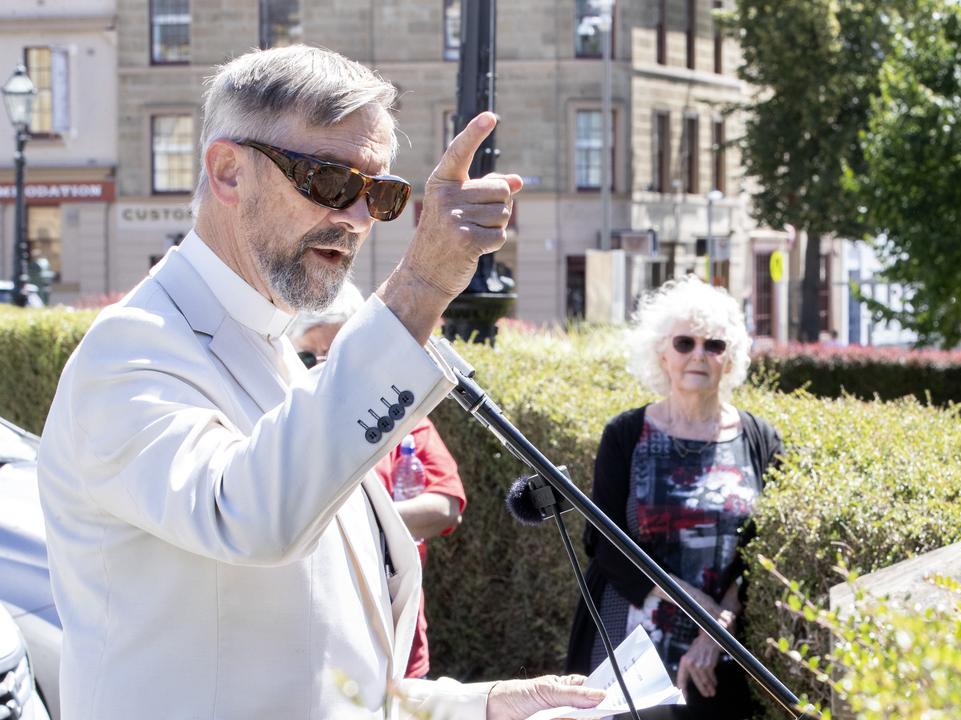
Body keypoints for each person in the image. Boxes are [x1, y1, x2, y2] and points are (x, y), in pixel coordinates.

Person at [37, 45, 601, 719]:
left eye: (382, 194)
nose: (359, 218)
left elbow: (322, 674)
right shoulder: (130, 353)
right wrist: (419, 287)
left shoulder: (271, 349)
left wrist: (487, 706)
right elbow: (246, 517)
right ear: (227, 172)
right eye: (331, 182)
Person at [565, 276, 784, 718]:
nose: (699, 355)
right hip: (632, 638)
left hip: (716, 649)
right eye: (685, 343)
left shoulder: (760, 438)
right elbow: (604, 542)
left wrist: (719, 624)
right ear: (662, 353)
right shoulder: (625, 434)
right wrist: (701, 607)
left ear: (731, 357)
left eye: (714, 345)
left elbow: (763, 554)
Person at [289, 281, 466, 680]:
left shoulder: (397, 414)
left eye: (334, 354)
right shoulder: (281, 429)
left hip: (396, 635)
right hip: (317, 648)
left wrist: (350, 521)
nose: (321, 365)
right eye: (308, 356)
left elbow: (446, 506)